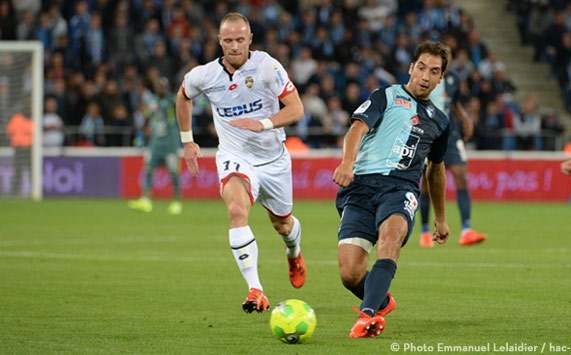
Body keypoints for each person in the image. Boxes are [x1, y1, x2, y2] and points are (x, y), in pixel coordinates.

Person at [175, 12, 306, 314]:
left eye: (239, 40)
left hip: (273, 160)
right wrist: (188, 140)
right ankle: (255, 289)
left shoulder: (267, 66)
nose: (234, 46)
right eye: (228, 40)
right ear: (219, 41)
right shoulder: (205, 75)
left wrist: (262, 124)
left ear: (250, 40)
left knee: (283, 224)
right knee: (236, 211)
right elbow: (183, 97)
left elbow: (296, 108)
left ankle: (294, 252)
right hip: (235, 156)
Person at [332, 41, 451, 338]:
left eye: (433, 71)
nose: (425, 76)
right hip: (361, 185)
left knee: (391, 238)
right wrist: (347, 163)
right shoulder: (386, 96)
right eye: (421, 67)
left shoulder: (441, 122)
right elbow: (357, 127)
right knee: (350, 274)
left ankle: (368, 316)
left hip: (402, 188)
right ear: (411, 68)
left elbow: (436, 169)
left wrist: (440, 217)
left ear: (440, 79)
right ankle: (381, 301)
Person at [419, 55, 486, 247]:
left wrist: (465, 118)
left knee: (461, 176)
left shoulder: (454, 78)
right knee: (426, 184)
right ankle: (424, 231)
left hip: (451, 134)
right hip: (428, 135)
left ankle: (466, 229)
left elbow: (454, 102)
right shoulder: (423, 79)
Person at [128, 77, 183, 215]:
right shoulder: (151, 101)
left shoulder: (171, 101)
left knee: (173, 172)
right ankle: (146, 200)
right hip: (155, 142)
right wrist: (142, 131)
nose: (160, 88)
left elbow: (180, 104)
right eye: (158, 85)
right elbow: (148, 116)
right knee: (148, 168)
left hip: (170, 143)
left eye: (163, 86)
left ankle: (176, 201)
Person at [6, 104, 33, 196]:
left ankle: (34, 190)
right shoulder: (16, 118)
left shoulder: (33, 119)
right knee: (18, 170)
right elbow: (9, 132)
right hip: (19, 149)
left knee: (32, 170)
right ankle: (15, 191)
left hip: (30, 149)